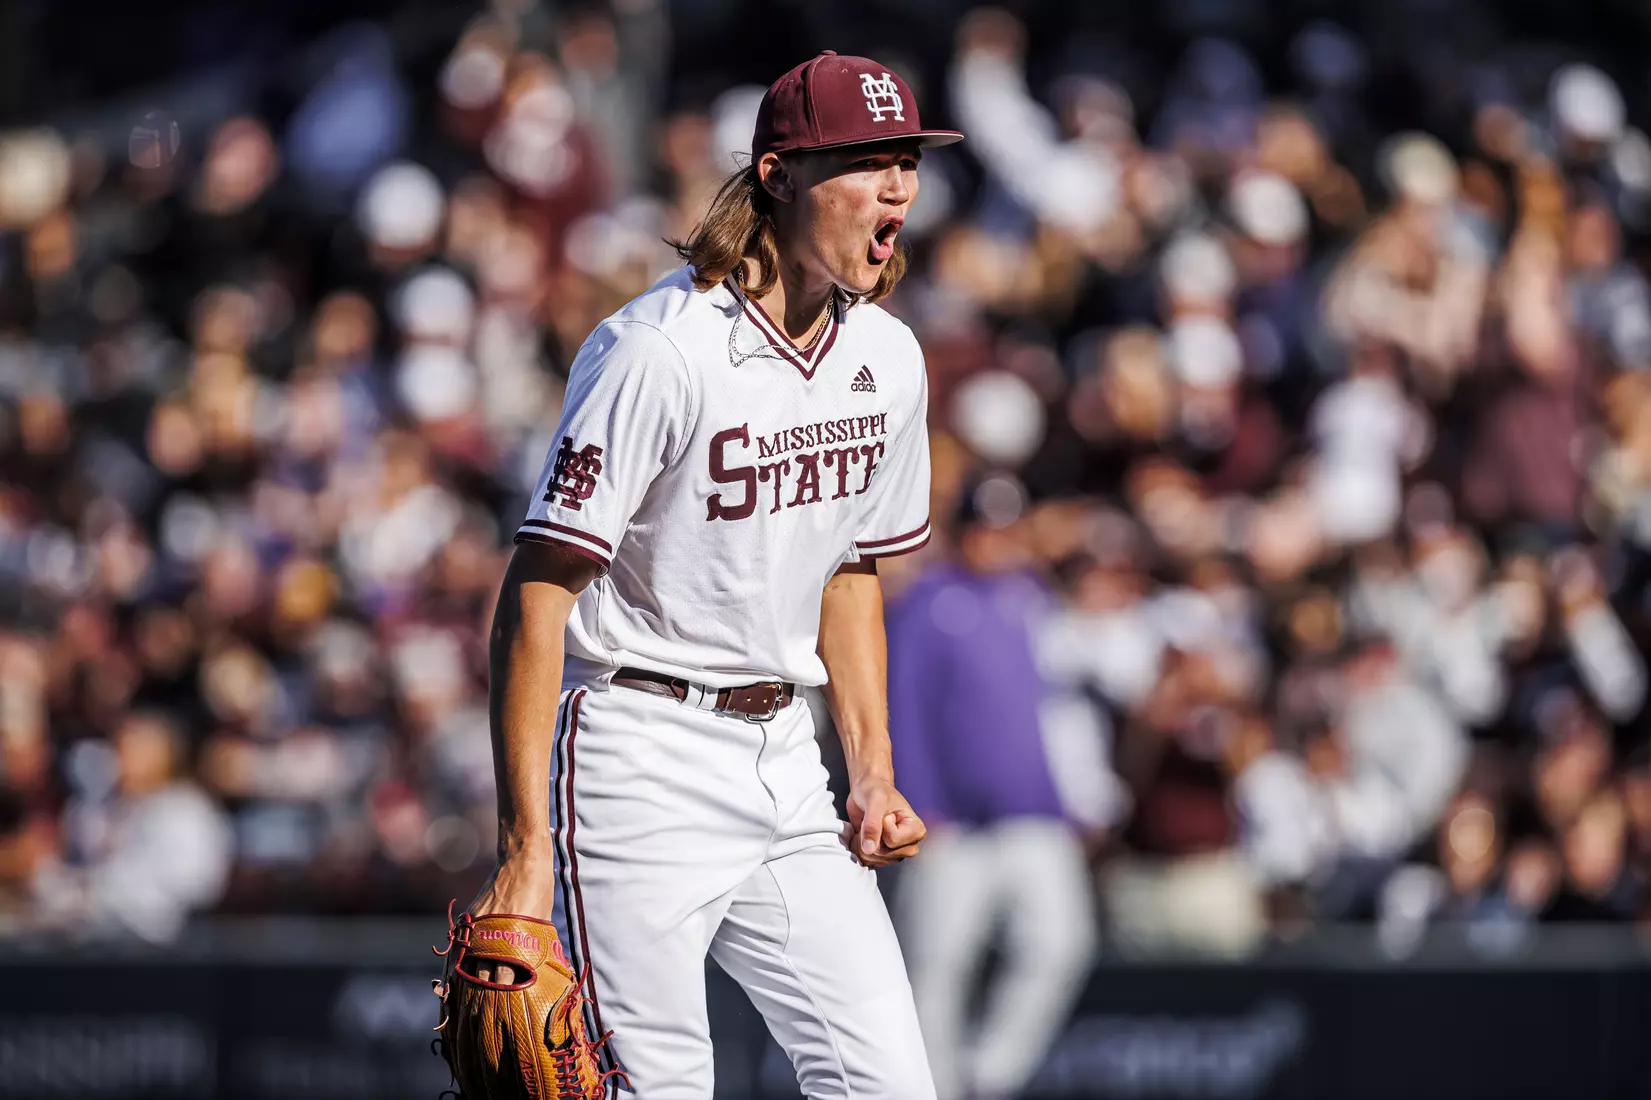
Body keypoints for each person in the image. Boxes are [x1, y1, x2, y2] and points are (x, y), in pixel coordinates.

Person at [466, 51, 962, 1098]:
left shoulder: (889, 357)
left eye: (905, 161)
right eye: (865, 163)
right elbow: (538, 586)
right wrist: (523, 846)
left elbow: (850, 568)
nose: (897, 189)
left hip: (787, 761)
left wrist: (869, 770)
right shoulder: (659, 349)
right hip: (635, 757)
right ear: (779, 176)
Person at [888, 474, 1099, 1100]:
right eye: (984, 528)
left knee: (1061, 945)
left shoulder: (1033, 599)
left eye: (1006, 528)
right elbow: (903, 705)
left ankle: (991, 1074)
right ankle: (935, 1090)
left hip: (1034, 815)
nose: (995, 542)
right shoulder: (927, 602)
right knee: (936, 964)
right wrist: (918, 798)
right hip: (952, 821)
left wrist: (1079, 796)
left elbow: (1063, 708)